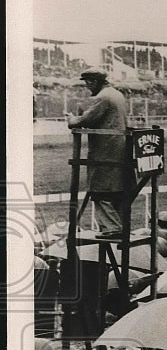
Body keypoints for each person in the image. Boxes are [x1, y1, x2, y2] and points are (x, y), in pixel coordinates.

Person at [66, 67, 128, 236]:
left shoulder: (103, 97)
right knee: (115, 188)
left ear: (93, 81)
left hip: (105, 150)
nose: (87, 87)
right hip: (117, 148)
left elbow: (86, 120)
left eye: (87, 83)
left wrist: (72, 119)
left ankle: (112, 228)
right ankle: (118, 226)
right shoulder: (116, 94)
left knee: (100, 190)